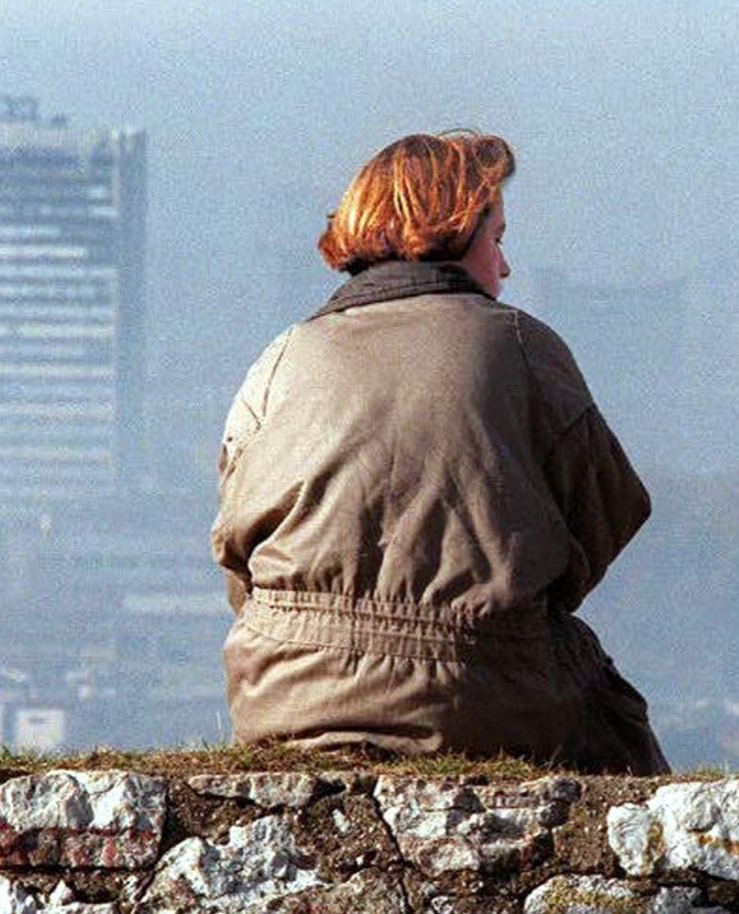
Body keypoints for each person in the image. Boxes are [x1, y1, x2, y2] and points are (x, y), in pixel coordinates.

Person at [210, 131, 670, 774]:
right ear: (452, 231)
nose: (505, 267)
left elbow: (237, 549)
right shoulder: (519, 346)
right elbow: (607, 510)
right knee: (618, 729)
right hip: (480, 694)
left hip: (281, 694)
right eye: (498, 239)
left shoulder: (282, 358)